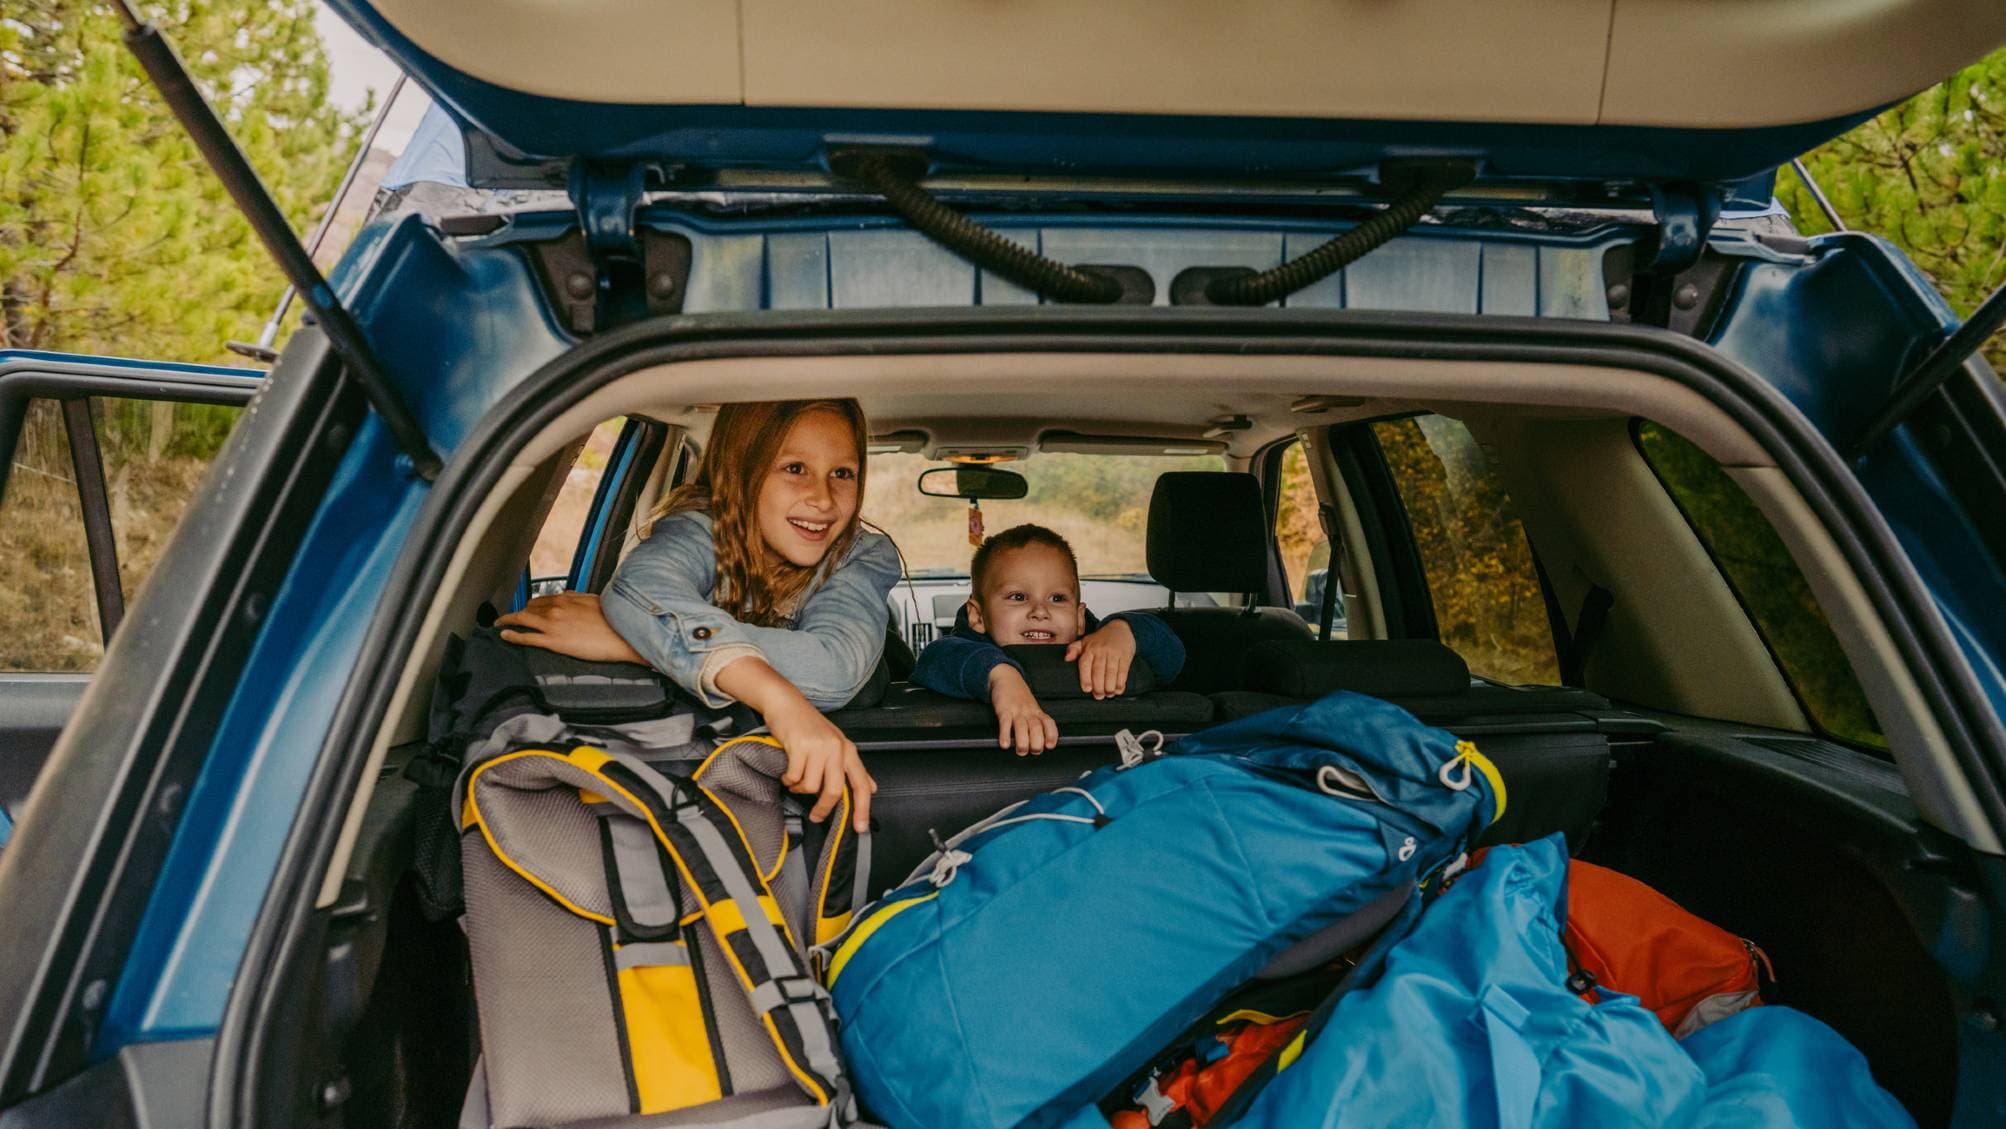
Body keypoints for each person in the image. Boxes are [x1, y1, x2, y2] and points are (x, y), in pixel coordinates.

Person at [495, 399, 897, 832]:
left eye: (842, 473)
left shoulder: (864, 553)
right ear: (741, 469)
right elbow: (643, 584)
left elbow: (833, 668)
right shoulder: (701, 526)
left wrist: (633, 642)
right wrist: (767, 690)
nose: (822, 499)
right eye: (794, 468)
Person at [912, 524, 1185, 756]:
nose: (1040, 611)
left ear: (1079, 617)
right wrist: (1000, 676)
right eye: (1018, 597)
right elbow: (934, 658)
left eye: (1057, 598)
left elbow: (1173, 657)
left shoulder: (1100, 641)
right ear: (977, 616)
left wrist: (1124, 630)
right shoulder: (963, 653)